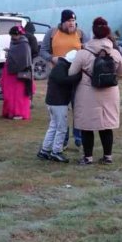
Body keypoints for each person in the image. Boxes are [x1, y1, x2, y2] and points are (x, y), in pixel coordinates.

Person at [69, 17, 122, 165]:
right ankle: (108, 156)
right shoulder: (114, 53)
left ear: (93, 32)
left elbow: (71, 72)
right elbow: (121, 73)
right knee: (106, 126)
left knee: (87, 127)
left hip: (87, 92)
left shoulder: (83, 53)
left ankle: (88, 157)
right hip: (110, 92)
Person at [40, 9, 88, 147]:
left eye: (73, 21)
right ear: (63, 22)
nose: (72, 23)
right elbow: (42, 50)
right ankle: (63, 139)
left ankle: (78, 136)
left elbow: (88, 49)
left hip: (75, 77)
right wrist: (52, 58)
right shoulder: (52, 33)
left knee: (77, 107)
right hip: (58, 78)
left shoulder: (80, 33)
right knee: (61, 110)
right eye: (69, 21)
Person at [37, 49, 81, 163]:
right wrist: (78, 76)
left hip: (52, 101)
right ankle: (56, 151)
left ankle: (45, 150)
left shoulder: (60, 65)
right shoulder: (62, 68)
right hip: (59, 102)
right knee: (61, 128)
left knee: (53, 126)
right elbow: (63, 81)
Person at [2, 26, 33, 120]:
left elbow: (25, 59)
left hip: (20, 73)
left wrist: (10, 53)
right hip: (11, 72)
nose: (12, 37)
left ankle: (19, 112)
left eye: (13, 35)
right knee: (10, 93)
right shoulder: (14, 42)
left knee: (19, 95)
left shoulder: (24, 44)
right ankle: (10, 111)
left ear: (18, 34)